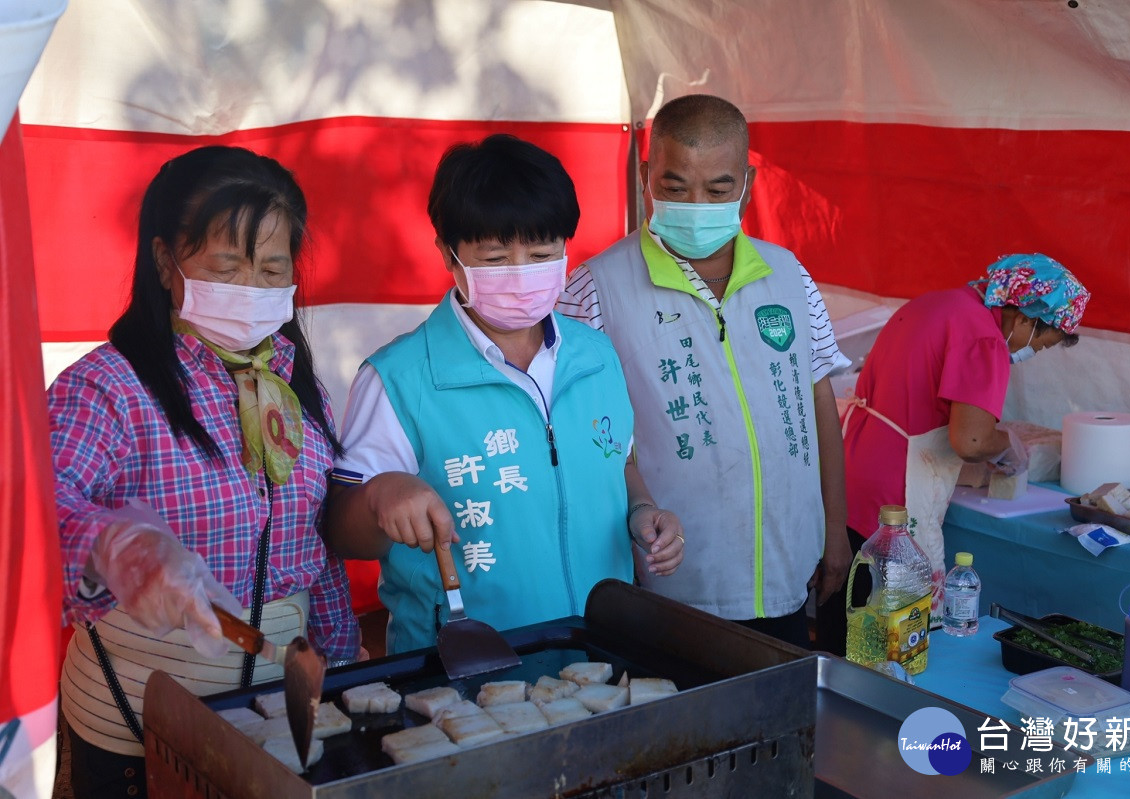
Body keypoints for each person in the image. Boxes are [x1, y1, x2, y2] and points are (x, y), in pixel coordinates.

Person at [48, 145, 361, 798]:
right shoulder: (110, 387)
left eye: (273, 269)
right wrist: (117, 545)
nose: (253, 289)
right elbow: (41, 508)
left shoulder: (298, 387)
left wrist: (341, 650)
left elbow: (317, 540)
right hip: (132, 722)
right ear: (166, 262)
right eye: (229, 266)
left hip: (274, 721)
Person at [324, 134, 683, 655]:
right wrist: (380, 498)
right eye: (495, 257)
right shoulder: (399, 378)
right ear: (449, 256)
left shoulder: (596, 354)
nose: (520, 273)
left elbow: (617, 463)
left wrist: (643, 511)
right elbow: (340, 532)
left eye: (541, 253)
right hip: (461, 673)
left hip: (601, 655)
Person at [556, 94, 851, 649]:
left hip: (787, 569)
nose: (696, 204)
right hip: (668, 582)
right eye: (674, 187)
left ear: (748, 182)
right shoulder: (595, 289)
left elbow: (819, 406)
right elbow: (579, 434)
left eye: (717, 189)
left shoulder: (789, 275)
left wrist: (835, 531)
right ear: (645, 176)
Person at [817, 253, 1090, 654]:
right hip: (895, 494)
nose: (1033, 353)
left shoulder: (940, 303)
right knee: (883, 641)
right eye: (1042, 344)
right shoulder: (984, 337)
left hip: (854, 470)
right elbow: (972, 441)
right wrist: (1008, 444)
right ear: (1025, 319)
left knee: (843, 616)